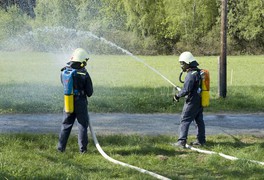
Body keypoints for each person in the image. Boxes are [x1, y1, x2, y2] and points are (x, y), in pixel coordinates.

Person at [57, 48, 93, 153]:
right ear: (82, 61)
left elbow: (64, 84)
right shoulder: (84, 74)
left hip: (68, 101)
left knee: (66, 125)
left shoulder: (65, 71)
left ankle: (60, 148)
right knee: (82, 125)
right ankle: (83, 150)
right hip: (80, 101)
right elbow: (90, 92)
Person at [173, 51, 206, 148]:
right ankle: (201, 140)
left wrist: (177, 96)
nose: (181, 66)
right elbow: (191, 87)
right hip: (200, 100)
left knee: (185, 120)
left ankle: (181, 142)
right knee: (199, 120)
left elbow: (186, 90)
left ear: (188, 63)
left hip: (192, 102)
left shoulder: (191, 75)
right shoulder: (199, 72)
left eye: (182, 63)